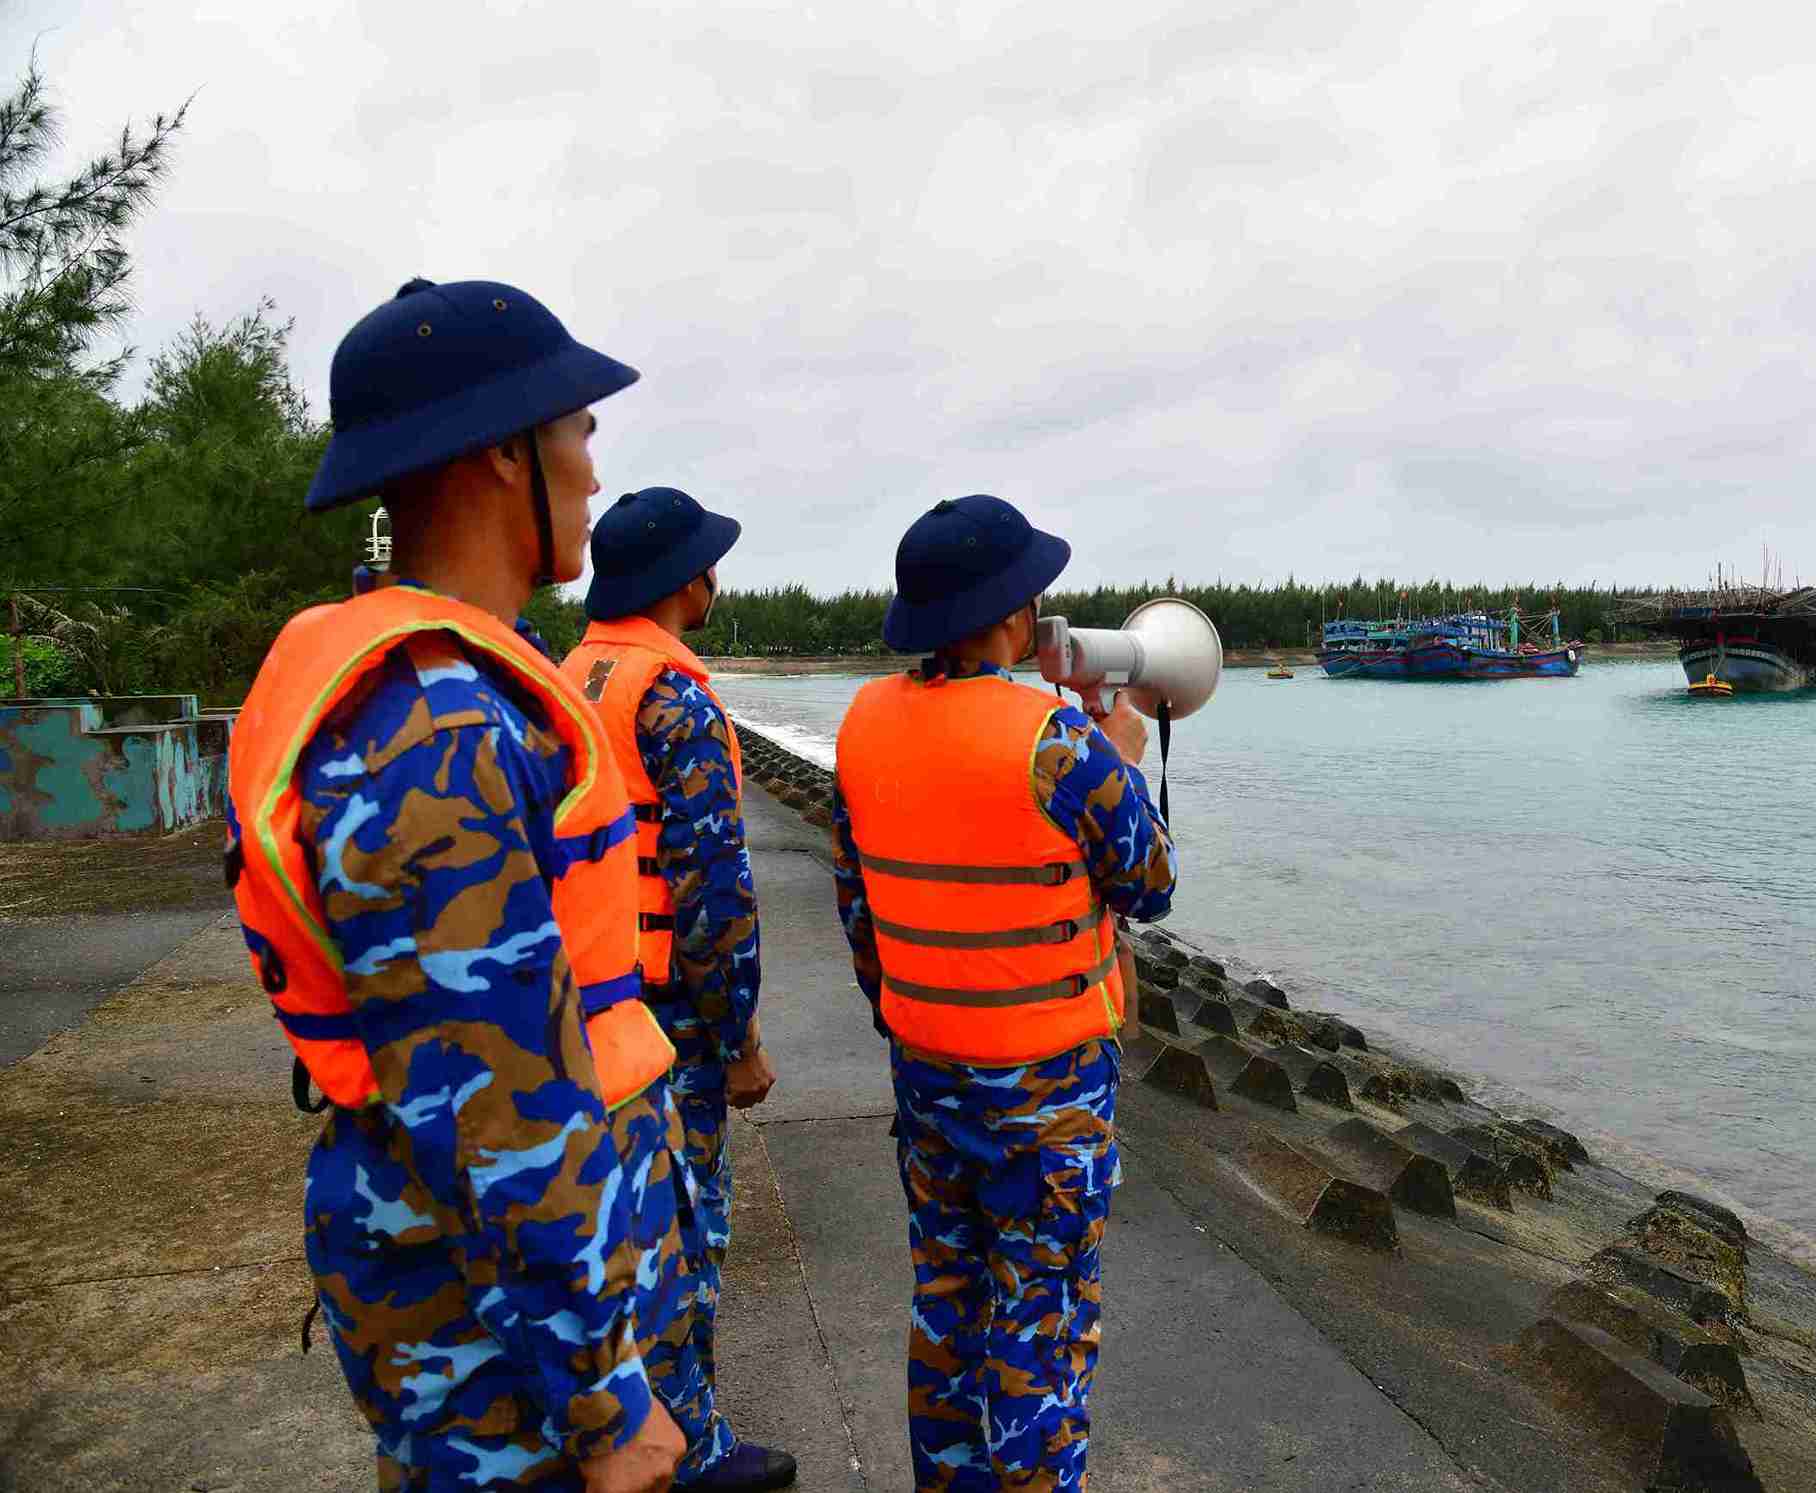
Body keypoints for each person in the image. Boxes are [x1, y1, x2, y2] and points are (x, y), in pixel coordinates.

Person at [223, 277, 760, 1492]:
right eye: (576, 430)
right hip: (502, 1359)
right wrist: (607, 1400)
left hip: (515, 1311)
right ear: (500, 456)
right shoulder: (433, 724)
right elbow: (489, 1107)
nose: (592, 466)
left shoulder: (468, 687)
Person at [829, 494, 1178, 1492]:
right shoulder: (1057, 743)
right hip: (1048, 1094)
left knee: (947, 1308)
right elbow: (1149, 884)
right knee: (1041, 1328)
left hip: (928, 1073)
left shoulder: (861, 723)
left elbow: (861, 915)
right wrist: (1124, 754)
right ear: (1013, 615)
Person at [561, 487, 792, 1491]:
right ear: (680, 580)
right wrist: (738, 1034)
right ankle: (690, 1451)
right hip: (669, 1024)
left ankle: (652, 1426)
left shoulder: (572, 678)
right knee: (683, 1235)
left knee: (615, 1230)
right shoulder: (678, 699)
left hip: (584, 1000)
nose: (714, 575)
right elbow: (710, 891)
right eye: (706, 561)